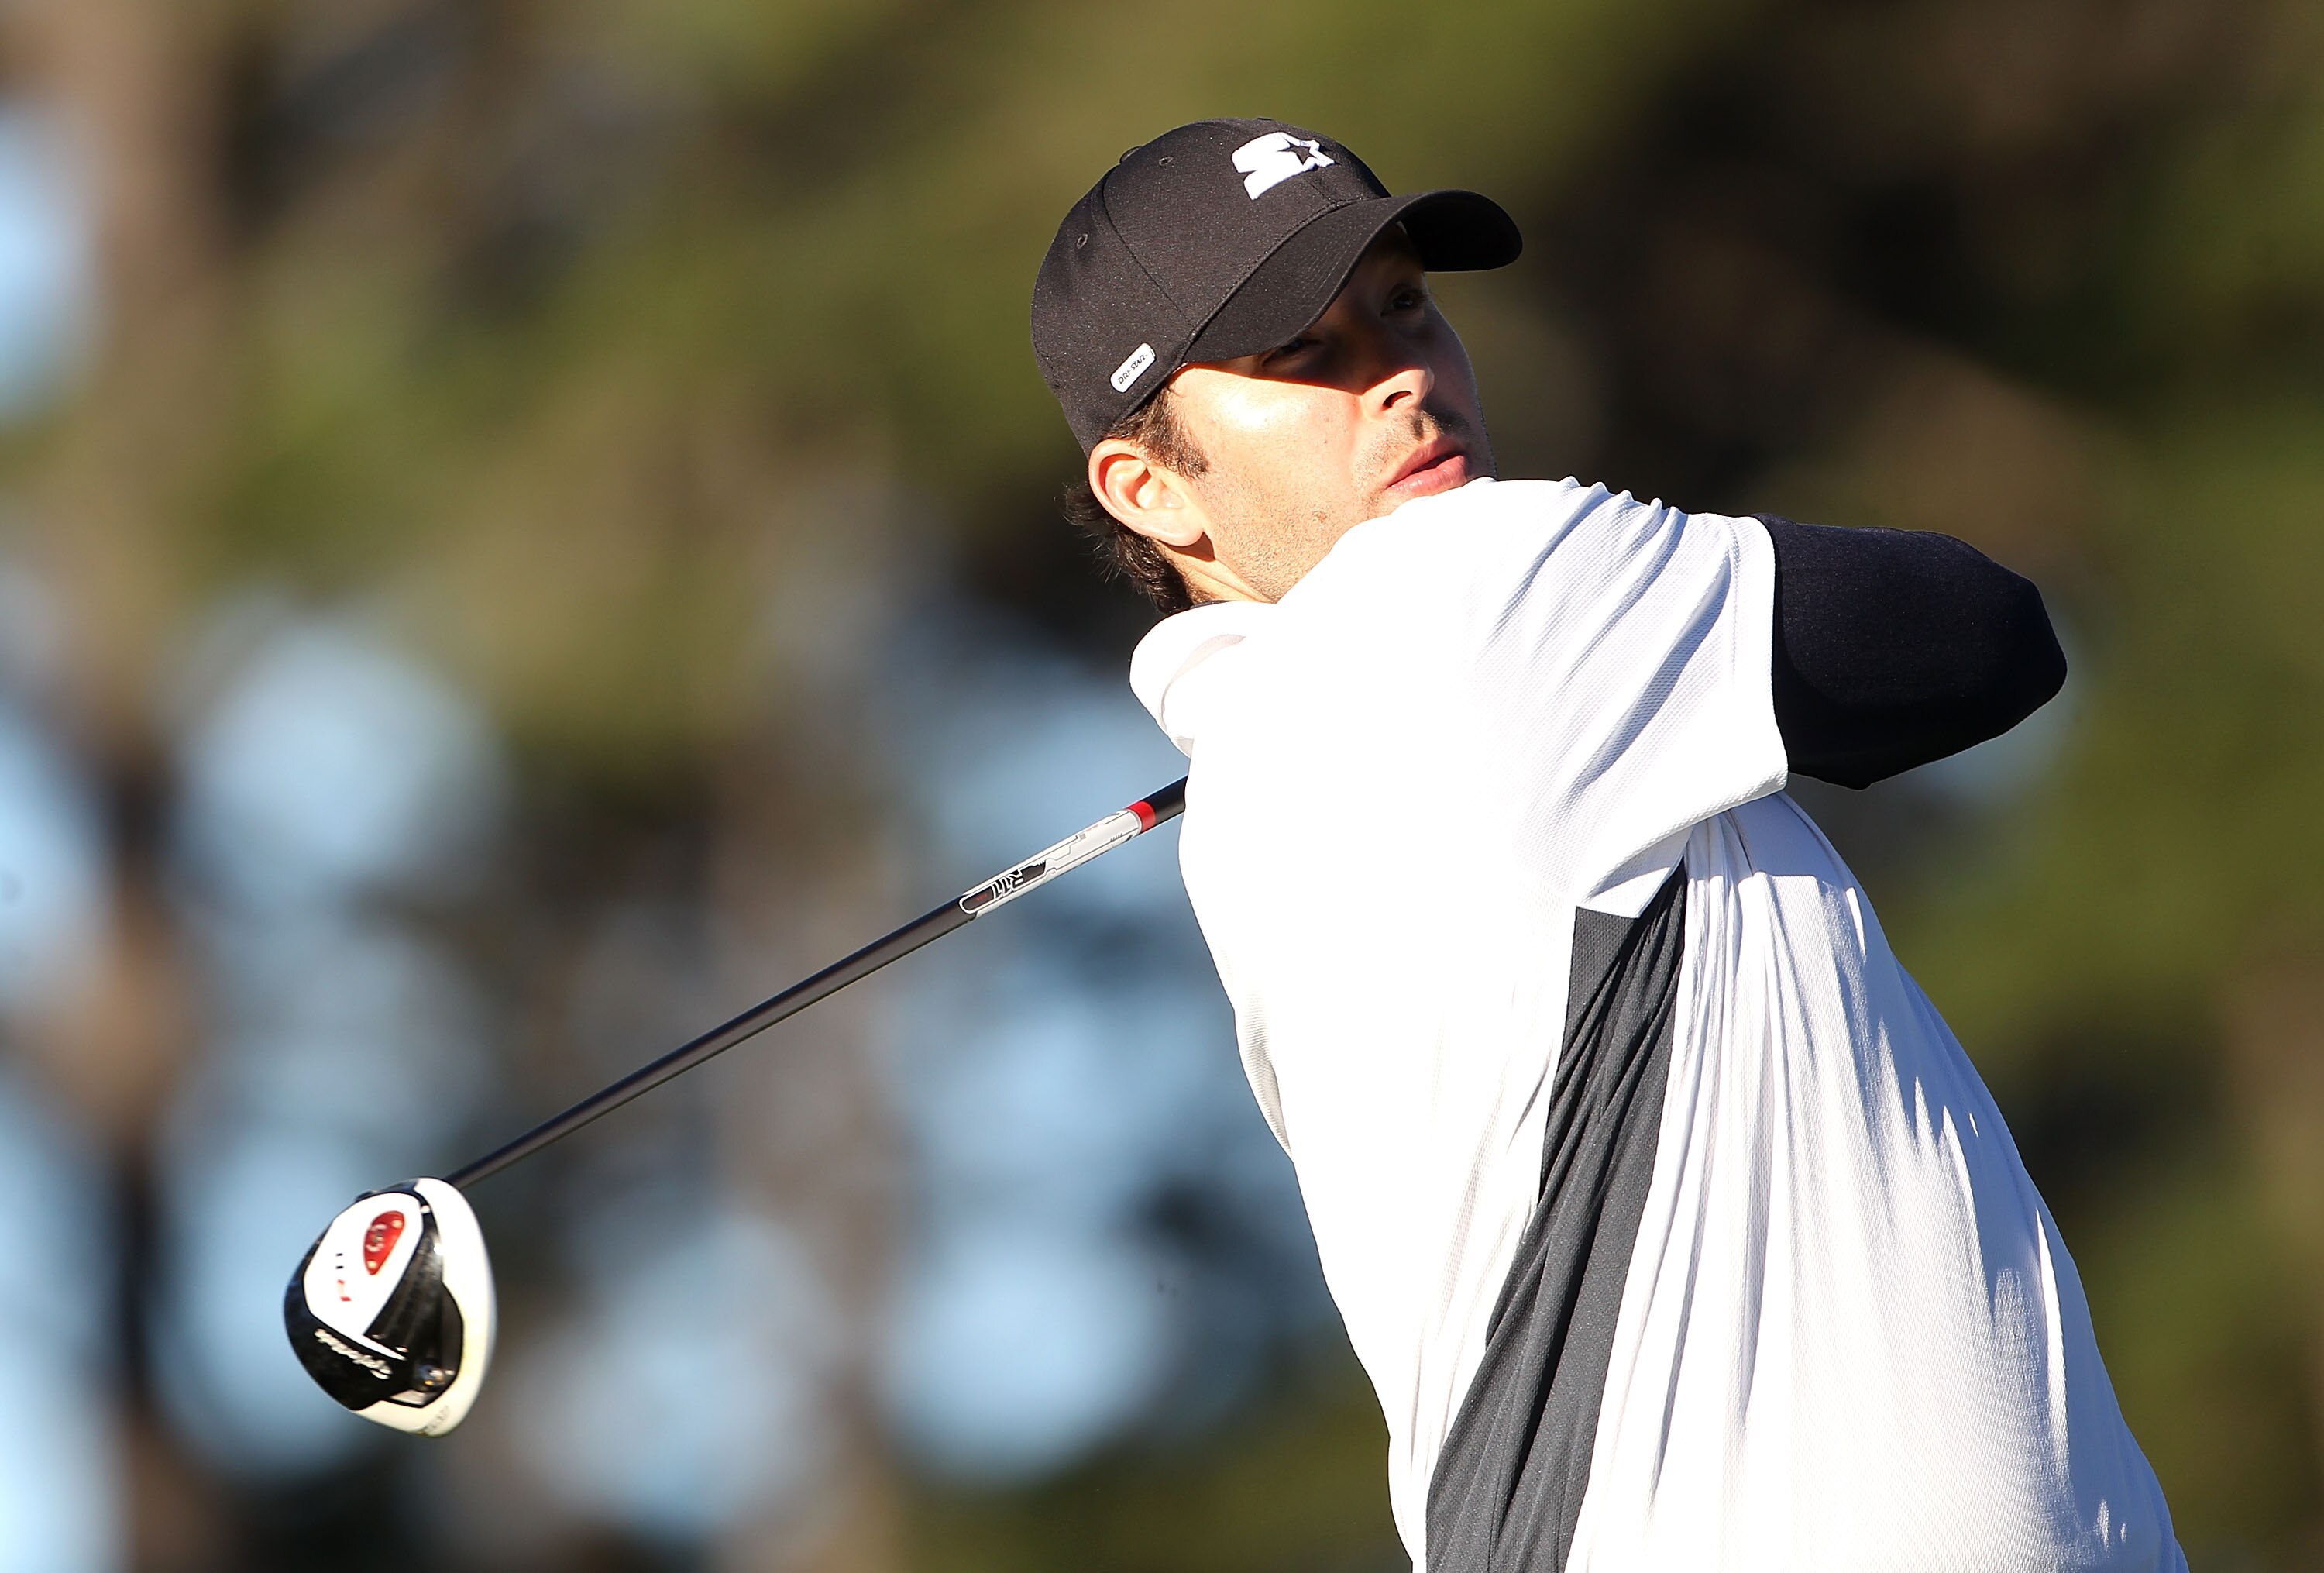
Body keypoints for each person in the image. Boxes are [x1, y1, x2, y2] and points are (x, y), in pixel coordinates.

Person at [1029, 119, 2185, 1571]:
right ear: (1153, 488)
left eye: (1401, 305)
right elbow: (1981, 635)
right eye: (1296, 354)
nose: (1399, 372)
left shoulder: (1282, 776)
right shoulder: (1452, 596)